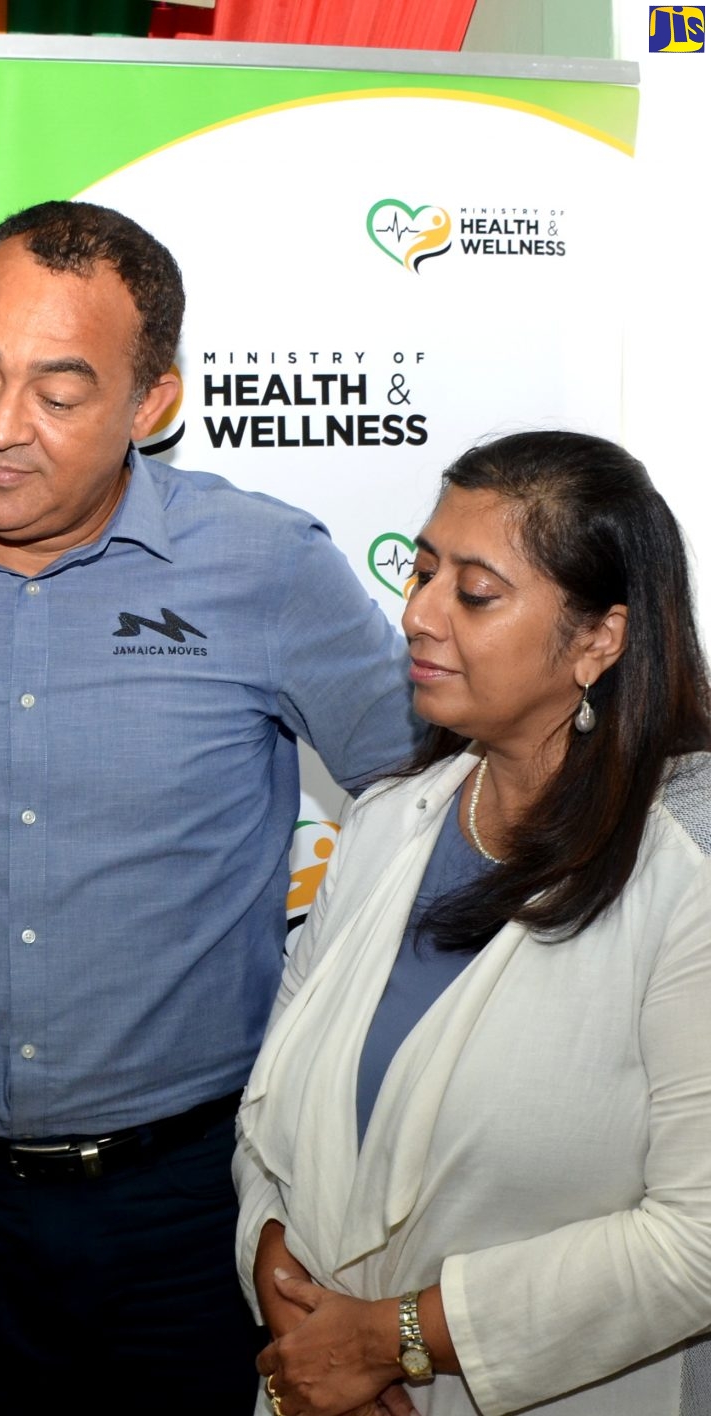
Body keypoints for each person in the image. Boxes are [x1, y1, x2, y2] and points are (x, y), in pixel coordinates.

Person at [0, 199, 421, 1406]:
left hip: (193, 1202)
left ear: (150, 403)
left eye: (58, 396)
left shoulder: (264, 568)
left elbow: (438, 802)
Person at [235, 431, 711, 1416]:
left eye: (474, 593)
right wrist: (277, 1268)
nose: (414, 614)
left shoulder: (682, 881)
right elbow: (269, 1111)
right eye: (418, 571)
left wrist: (391, 1339)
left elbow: (694, 1242)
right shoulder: (379, 825)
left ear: (597, 640)